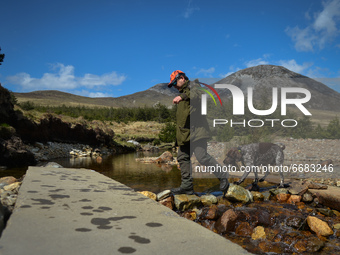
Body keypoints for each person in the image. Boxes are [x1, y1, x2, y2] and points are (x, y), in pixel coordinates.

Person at [168, 70, 229, 195]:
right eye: (172, 84)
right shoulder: (184, 92)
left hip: (198, 132)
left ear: (182, 78)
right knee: (182, 157)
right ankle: (187, 187)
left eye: (175, 82)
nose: (174, 86)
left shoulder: (194, 86)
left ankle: (223, 177)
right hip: (186, 134)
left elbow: (197, 95)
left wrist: (182, 97)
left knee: (202, 157)